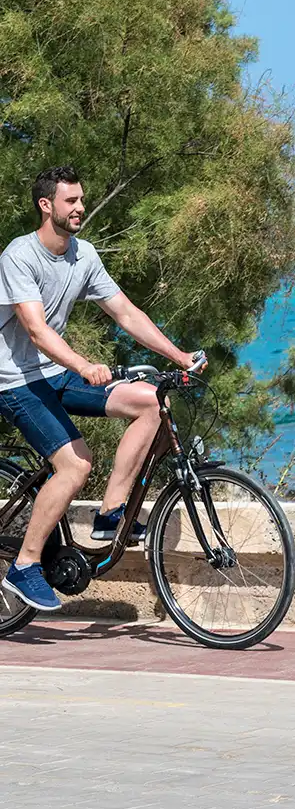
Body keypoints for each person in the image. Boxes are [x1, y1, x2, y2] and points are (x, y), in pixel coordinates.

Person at [0, 166, 205, 612]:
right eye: (70, 201)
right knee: (75, 465)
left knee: (151, 402)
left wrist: (180, 356)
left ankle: (110, 516)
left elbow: (126, 313)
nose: (79, 208)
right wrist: (83, 363)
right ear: (46, 205)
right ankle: (25, 565)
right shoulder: (19, 256)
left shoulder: (83, 255)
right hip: (14, 379)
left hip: (55, 374)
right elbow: (35, 331)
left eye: (81, 200)